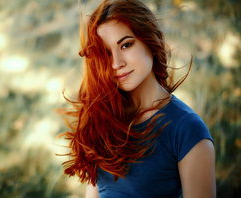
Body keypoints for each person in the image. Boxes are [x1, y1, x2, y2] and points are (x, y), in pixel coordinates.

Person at [57, 0, 216, 197]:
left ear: (149, 40)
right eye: (106, 53)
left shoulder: (187, 131)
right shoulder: (102, 119)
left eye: (126, 45)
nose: (116, 63)